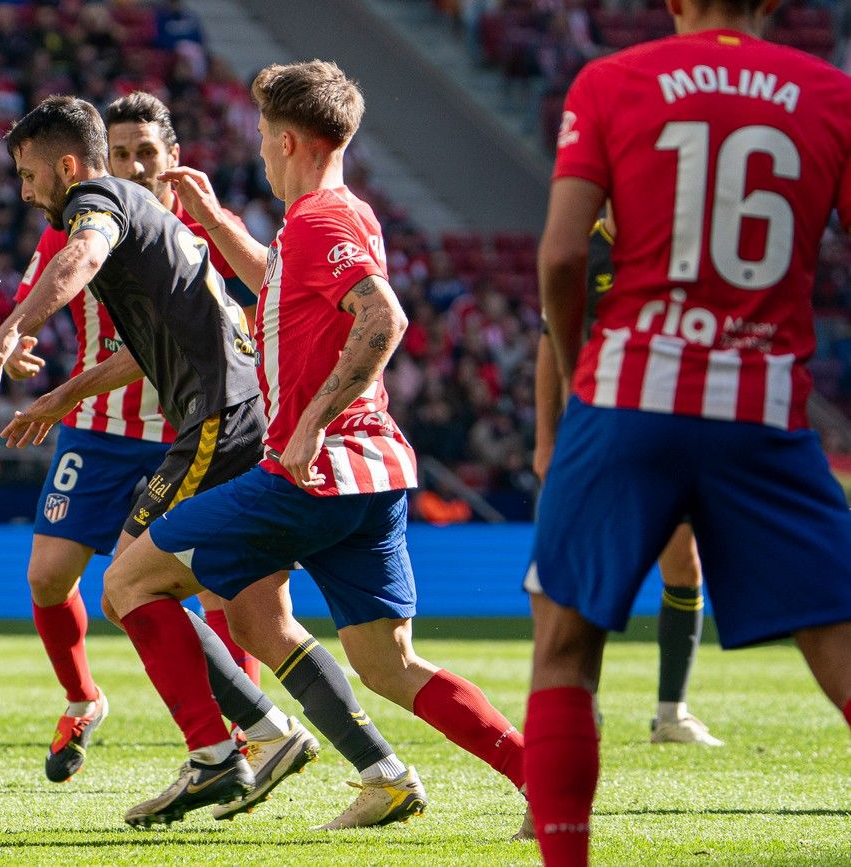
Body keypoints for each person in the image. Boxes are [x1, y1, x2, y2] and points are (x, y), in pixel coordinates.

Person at [67, 60, 531, 833]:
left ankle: (221, 752)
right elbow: (288, 291)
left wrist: (310, 423)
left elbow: (383, 319)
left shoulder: (319, 221)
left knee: (126, 585)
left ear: (287, 141)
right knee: (378, 661)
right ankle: (504, 774)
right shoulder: (342, 216)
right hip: (372, 478)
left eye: (259, 135)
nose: (255, 149)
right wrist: (218, 228)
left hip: (310, 474)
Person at [0, 95, 419, 829]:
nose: (24, 191)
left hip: (217, 422)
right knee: (247, 615)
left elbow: (81, 256)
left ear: (69, 167)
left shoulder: (98, 205)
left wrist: (8, 331)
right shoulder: (159, 230)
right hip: (230, 418)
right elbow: (153, 350)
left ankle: (225, 747)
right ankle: (359, 762)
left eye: (28, 174)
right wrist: (61, 395)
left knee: (125, 585)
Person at [526, 0, 851, 861]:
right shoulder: (831, 94)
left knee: (563, 646)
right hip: (762, 407)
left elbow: (562, 256)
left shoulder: (611, 81)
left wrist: (574, 371)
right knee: (837, 634)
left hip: (628, 394)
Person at [0, 92, 260, 786]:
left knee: (215, 590)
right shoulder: (74, 220)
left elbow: (218, 330)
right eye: (120, 154)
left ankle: (237, 731)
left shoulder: (201, 231)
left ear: (173, 158)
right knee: (48, 576)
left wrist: (57, 389)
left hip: (189, 427)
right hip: (98, 433)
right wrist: (19, 341)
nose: (135, 164)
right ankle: (83, 699)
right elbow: (39, 289)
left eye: (148, 152)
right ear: (94, 160)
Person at [534, 211, 722, 746]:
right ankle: (580, 702)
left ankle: (671, 713)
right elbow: (549, 346)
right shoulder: (579, 250)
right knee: (586, 571)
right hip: (595, 436)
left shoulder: (670, 247)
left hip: (665, 431)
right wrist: (547, 441)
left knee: (684, 565)